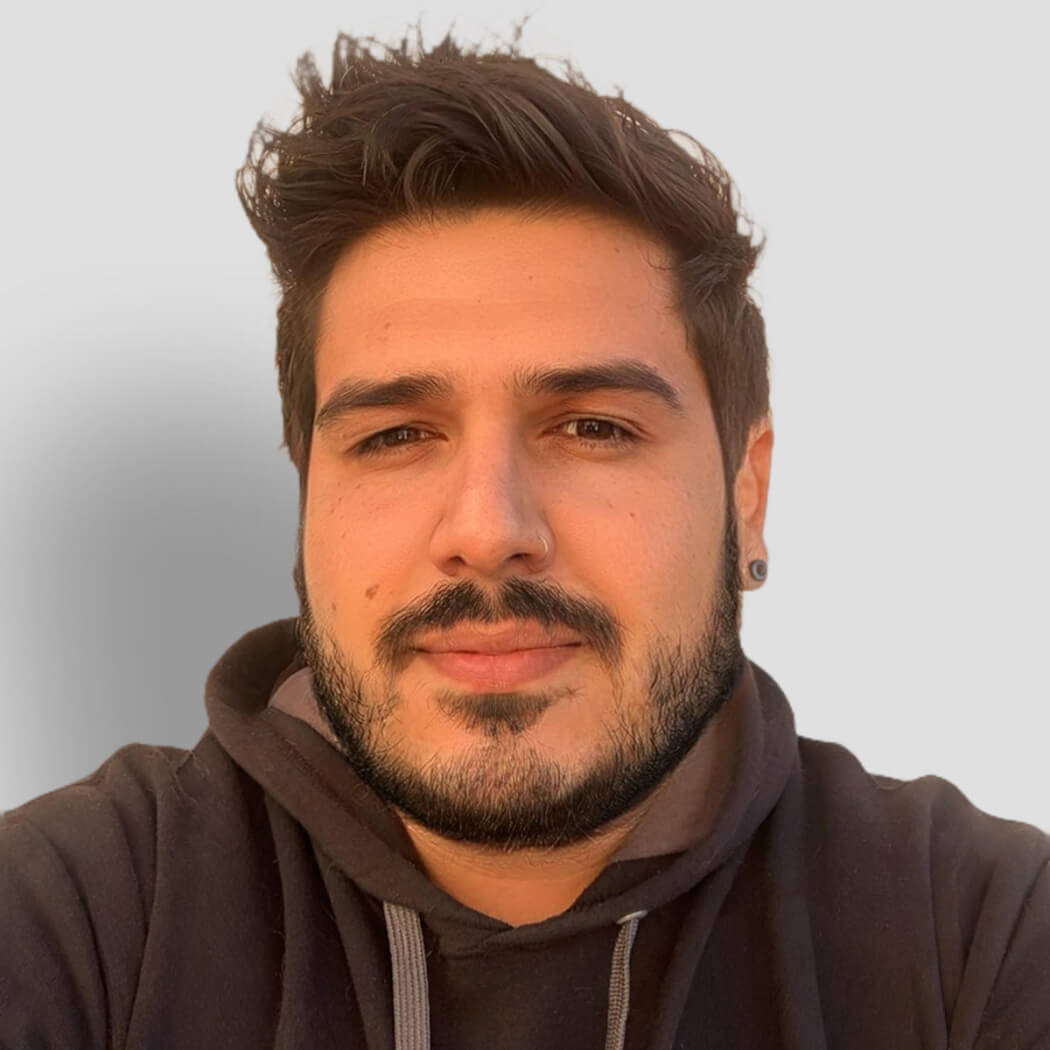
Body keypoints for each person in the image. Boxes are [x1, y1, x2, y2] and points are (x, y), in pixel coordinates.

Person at [1, 27, 1047, 1050]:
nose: (489, 530)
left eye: (593, 429)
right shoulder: (64, 922)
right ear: (308, 497)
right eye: (396, 436)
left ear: (747, 495)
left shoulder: (985, 940)